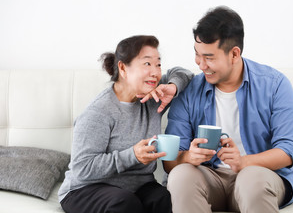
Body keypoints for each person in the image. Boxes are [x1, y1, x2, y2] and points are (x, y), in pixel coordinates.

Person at [163, 6, 293, 213]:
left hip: (258, 175)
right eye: (197, 55)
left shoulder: (275, 85)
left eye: (209, 57)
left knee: (251, 178)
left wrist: (243, 162)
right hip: (210, 178)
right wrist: (188, 157)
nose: (201, 65)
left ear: (234, 54)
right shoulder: (190, 91)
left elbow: (288, 150)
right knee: (181, 175)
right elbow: (170, 160)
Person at [58, 35, 193, 213]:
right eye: (147, 64)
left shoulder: (153, 97)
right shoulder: (99, 112)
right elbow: (82, 168)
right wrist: (132, 156)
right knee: (125, 203)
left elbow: (184, 73)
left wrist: (173, 87)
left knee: (162, 198)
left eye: (158, 64)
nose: (155, 72)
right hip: (85, 189)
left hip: (137, 186)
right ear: (122, 68)